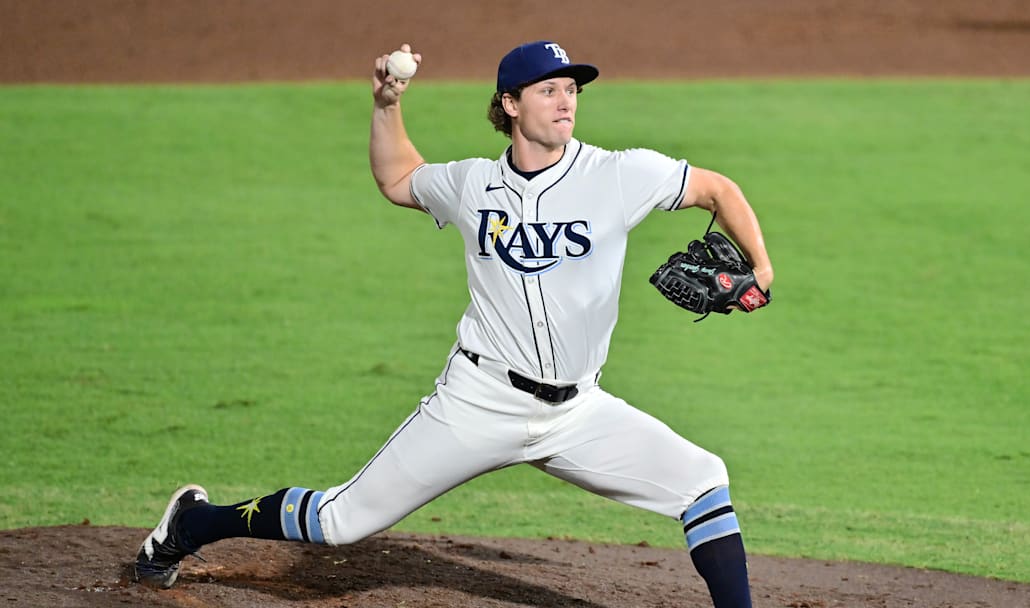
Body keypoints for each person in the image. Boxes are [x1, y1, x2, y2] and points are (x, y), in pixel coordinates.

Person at [135, 40, 773, 608]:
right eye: (548, 90)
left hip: (578, 413)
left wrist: (761, 271)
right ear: (510, 104)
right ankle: (193, 524)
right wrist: (387, 104)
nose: (565, 101)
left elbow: (718, 190)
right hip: (478, 401)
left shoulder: (618, 174)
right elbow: (398, 177)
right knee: (341, 522)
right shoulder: (473, 184)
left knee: (703, 480)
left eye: (571, 90)